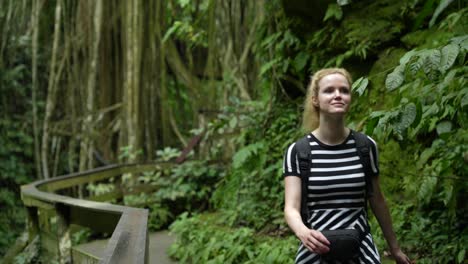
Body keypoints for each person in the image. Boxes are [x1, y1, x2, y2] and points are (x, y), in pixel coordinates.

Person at [283, 68, 412, 264]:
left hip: (360, 250)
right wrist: (303, 232)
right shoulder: (298, 151)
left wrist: (395, 248)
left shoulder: (366, 146)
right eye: (329, 90)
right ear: (315, 100)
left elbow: (377, 200)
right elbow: (291, 207)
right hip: (315, 250)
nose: (338, 95)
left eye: (344, 90)